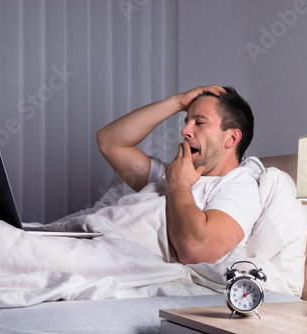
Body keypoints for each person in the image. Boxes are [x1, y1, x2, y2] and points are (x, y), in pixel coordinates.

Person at [96, 85, 260, 265]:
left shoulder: (239, 186)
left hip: (112, 258)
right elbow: (109, 141)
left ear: (232, 138)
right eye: (186, 121)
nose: (184, 131)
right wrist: (176, 102)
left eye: (199, 122)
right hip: (97, 240)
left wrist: (179, 185)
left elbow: (197, 251)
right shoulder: (169, 173)